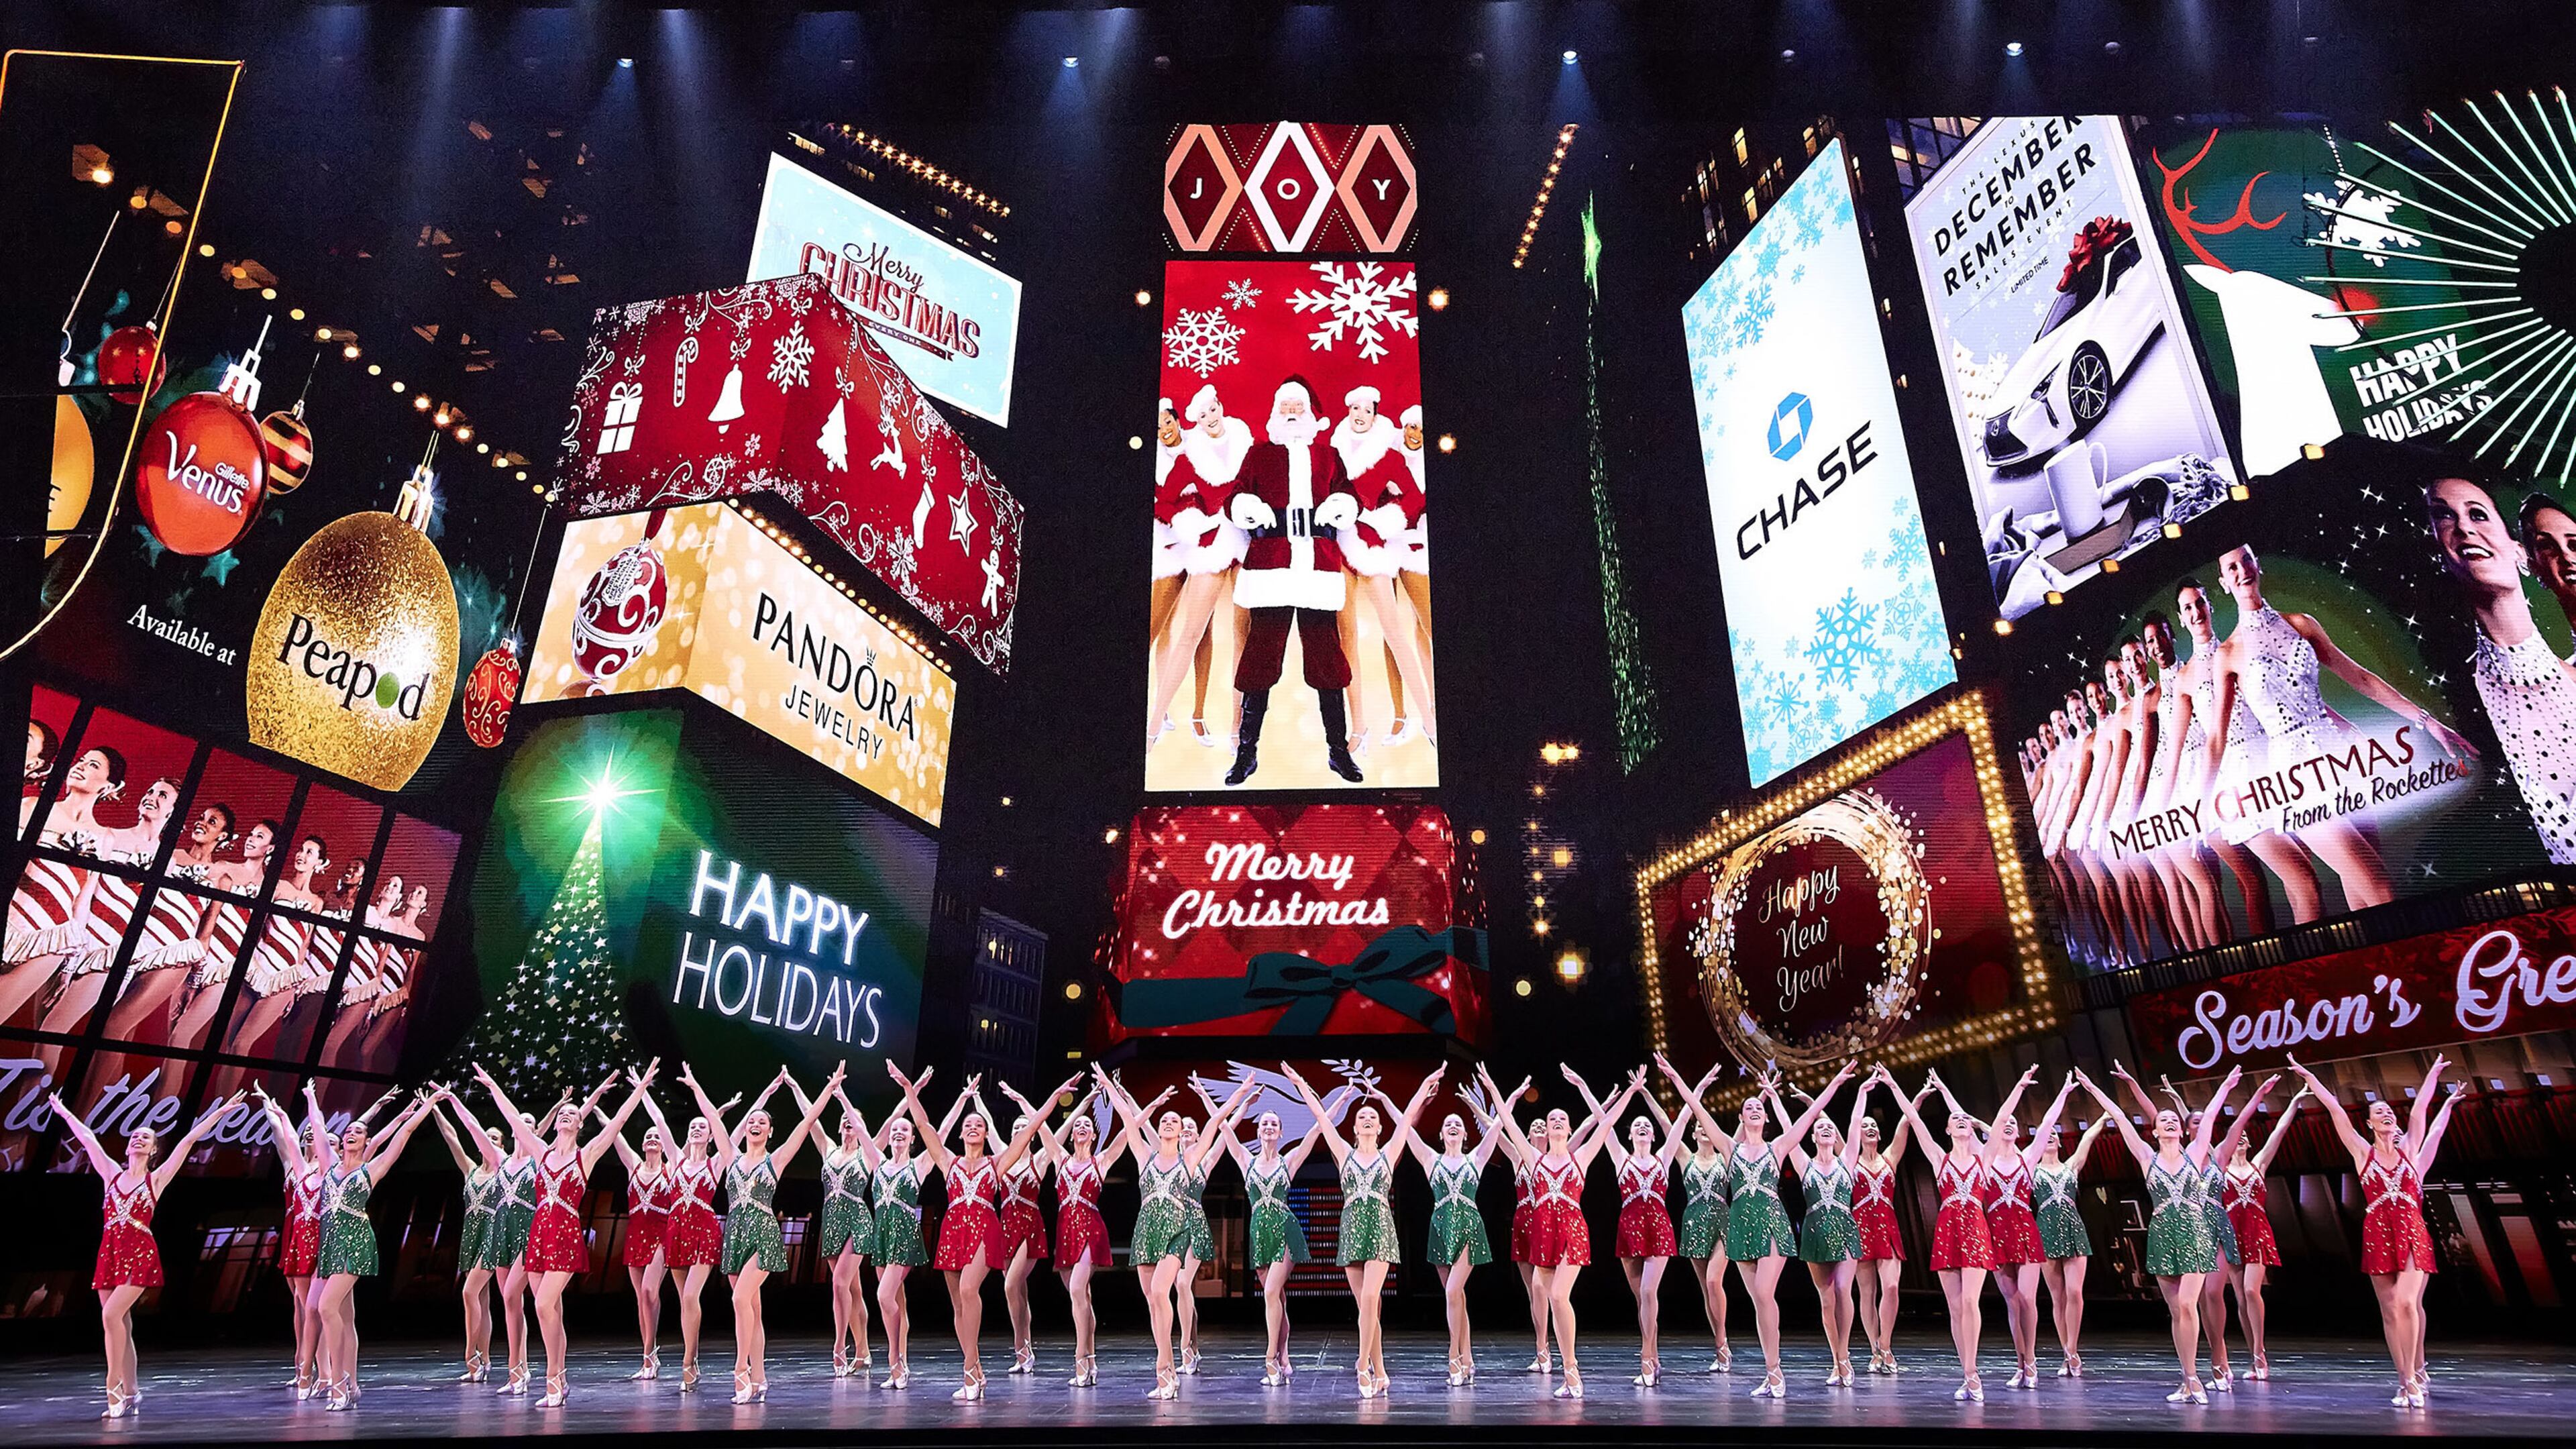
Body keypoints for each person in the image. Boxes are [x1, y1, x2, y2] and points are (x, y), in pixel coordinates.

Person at [2204, 544, 2476, 910]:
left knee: (2366, 892)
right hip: (2293, 777)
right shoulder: (2227, 655)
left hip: (2339, 760)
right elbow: (2219, 737)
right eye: (2232, 568)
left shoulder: (2301, 624)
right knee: (2380, 888)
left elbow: (2362, 679)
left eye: (2247, 560)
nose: (2242, 571)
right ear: (2224, 583)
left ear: (2258, 565)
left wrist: (2428, 722)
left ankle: (2382, 966)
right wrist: (2198, 802)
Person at [2076, 1064, 2263, 1405]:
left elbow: (2209, 1120)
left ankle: (2196, 1379)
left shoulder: (2195, 1153)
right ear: (2155, 1131)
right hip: (2163, 1236)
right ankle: (2188, 1378)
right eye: (2164, 1121)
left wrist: (2227, 1084)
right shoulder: (2147, 1157)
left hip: (2194, 1234)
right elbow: (2118, 1115)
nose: (2172, 1122)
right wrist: (2092, 1088)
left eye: (2174, 1119)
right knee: (2177, 1312)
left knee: (2190, 1304)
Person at [473, 1061, 655, 1407]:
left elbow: (616, 1125)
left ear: (581, 1123)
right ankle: (559, 1379)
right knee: (550, 1310)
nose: (566, 1116)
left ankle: (553, 1379)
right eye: (563, 1113)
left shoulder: (586, 1156)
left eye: (573, 1114)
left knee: (543, 1304)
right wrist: (493, 1086)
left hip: (566, 1235)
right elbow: (513, 1119)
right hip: (539, 1235)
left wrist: (641, 1088)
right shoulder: (541, 1154)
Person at [2284, 1051, 2461, 1407]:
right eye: (2379, 1111)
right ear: (2368, 1123)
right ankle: (2405, 1377)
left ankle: (2414, 1375)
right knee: (2390, 1309)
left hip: (2412, 1232)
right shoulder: (2362, 1152)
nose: (2387, 1114)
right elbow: (2335, 1109)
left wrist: (2433, 1074)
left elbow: (2421, 1114)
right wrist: (2309, 1077)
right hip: (2378, 1233)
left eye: (2389, 1111)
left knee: (2407, 1302)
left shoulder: (2413, 1151)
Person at [52, 1085, 241, 1417]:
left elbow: (187, 1142)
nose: (139, 1139)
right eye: (135, 1136)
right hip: (109, 1253)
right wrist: (64, 1111)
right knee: (120, 1323)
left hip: (140, 1253)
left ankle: (113, 1391)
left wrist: (220, 1113)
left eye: (147, 1138)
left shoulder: (156, 1180)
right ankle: (133, 1391)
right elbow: (88, 1140)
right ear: (128, 1146)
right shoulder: (111, 1174)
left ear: (154, 1150)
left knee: (110, 1316)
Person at [1218, 376, 1366, 786]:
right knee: (1261, 657)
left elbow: (1350, 494)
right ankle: (1246, 754)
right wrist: (1245, 506)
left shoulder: (1329, 455)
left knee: (1326, 660)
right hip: (1271, 568)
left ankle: (1338, 752)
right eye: (1285, 406)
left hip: (1317, 568)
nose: (1292, 411)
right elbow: (1233, 498)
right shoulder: (1258, 454)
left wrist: (1342, 503)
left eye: (1298, 406)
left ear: (1309, 412)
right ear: (1275, 411)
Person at [2430, 475, 2576, 861]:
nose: (2464, 528)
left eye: (2477, 515)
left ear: (2517, 553)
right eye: (2444, 518)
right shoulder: (2462, 704)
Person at [1284, 1064, 1441, 1399]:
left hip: (1381, 1229)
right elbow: (1322, 1118)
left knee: (1371, 1298)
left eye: (1373, 1117)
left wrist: (1425, 1081)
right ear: (1354, 1128)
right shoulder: (1344, 1153)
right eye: (1362, 1117)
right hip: (1352, 1229)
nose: (1368, 1119)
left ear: (1381, 1127)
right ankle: (1381, 1372)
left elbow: (1408, 1117)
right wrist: (1301, 1083)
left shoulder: (1389, 1153)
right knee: (1366, 1309)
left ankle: (1361, 1365)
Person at [1883, 1064, 2035, 1403]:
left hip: (1978, 1231)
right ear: (1949, 1128)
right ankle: (1968, 1373)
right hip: (1949, 1230)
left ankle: (1973, 1375)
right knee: (1954, 1307)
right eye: (1957, 1119)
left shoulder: (1984, 1157)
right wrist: (1895, 1086)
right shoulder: (1939, 1158)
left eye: (1967, 1119)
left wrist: (2020, 1086)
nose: (1963, 1121)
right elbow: (1916, 1122)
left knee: (1970, 1301)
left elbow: (2000, 1120)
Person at [690, 1062, 836, 1403]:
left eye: (762, 1123)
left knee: (740, 1299)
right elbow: (713, 1118)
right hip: (736, 1236)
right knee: (751, 1310)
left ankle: (740, 1369)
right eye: (752, 1121)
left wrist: (829, 1091)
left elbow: (806, 1124)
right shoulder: (730, 1156)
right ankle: (760, 1376)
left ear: (770, 1132)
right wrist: (696, 1086)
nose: (755, 1125)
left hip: (764, 1235)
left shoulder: (777, 1159)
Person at [1101, 1065, 1248, 1399]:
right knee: (1153, 1301)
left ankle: (1165, 1367)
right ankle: (1168, 1368)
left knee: (1162, 1288)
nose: (1169, 1124)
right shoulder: (1145, 1157)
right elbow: (1128, 1121)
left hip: (1178, 1231)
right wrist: (1112, 1087)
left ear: (1182, 1132)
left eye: (1175, 1121)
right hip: (1146, 1231)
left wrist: (1238, 1095)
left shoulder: (1192, 1158)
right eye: (1165, 1121)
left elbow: (1215, 1125)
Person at [299, 1081, 439, 1410]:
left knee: (326, 1308)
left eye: (359, 1132)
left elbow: (402, 1135)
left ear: (366, 1142)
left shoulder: (371, 1169)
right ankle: (353, 1383)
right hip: (330, 1245)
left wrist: (428, 1106)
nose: (351, 1134)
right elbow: (318, 1128)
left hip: (355, 1242)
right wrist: (310, 1096)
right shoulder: (328, 1165)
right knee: (343, 1317)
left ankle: (337, 1386)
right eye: (349, 1130)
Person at [1722, 1061, 1856, 1399]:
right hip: (1742, 1224)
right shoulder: (1732, 1148)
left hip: (1773, 1222)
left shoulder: (1778, 1147)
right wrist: (1679, 1081)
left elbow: (1807, 1119)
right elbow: (1696, 1110)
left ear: (1765, 1117)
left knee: (1767, 1294)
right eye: (1747, 1107)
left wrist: (1836, 1083)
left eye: (1758, 1106)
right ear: (1741, 1119)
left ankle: (1838, 1358)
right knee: (1760, 1302)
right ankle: (1773, 1370)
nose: (1753, 1109)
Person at [1205, 1079, 1347, 1387]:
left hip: (1285, 1230)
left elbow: (1318, 1129)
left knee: (1270, 1293)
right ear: (1258, 1131)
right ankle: (1283, 1354)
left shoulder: (1290, 1160)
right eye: (1265, 1123)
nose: (1269, 1127)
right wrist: (1241, 1104)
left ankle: (1270, 1359)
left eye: (1274, 1124)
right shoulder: (1246, 1161)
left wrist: (1340, 1099)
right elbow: (1223, 1127)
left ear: (1281, 1132)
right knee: (1277, 1298)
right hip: (1260, 1234)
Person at [1485, 1072, 1617, 1399]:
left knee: (1558, 1296)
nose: (1556, 1122)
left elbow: (1602, 1126)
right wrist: (1494, 1090)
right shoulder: (1532, 1159)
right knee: (1548, 1297)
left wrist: (1598, 1090)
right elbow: (1509, 1127)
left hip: (1572, 1230)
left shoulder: (1579, 1156)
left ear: (1568, 1129)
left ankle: (1572, 1368)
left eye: (1562, 1119)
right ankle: (1565, 1369)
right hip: (1542, 1234)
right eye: (1550, 1118)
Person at [1938, 1067, 2067, 1391]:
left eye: (2013, 1123)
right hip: (1993, 1233)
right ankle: (2020, 1362)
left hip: (2025, 1232)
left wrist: (2061, 1092)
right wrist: (1943, 1090)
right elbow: (1961, 1119)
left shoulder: (2030, 1156)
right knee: (2012, 1301)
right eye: (2003, 1123)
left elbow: (2048, 1123)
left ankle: (2032, 1360)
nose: (2008, 1124)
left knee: (2026, 1298)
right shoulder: (1985, 1157)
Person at [1330, 385, 1438, 752]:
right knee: (1347, 642)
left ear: (1377, 416)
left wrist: (1386, 520)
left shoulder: (1389, 457)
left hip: (1372, 547)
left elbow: (1415, 499)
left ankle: (1430, 718)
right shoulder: (1332, 454)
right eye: (1355, 407)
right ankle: (1358, 727)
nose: (1360, 414)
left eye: (1368, 410)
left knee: (1395, 632)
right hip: (1337, 550)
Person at [1148, 384, 1252, 750]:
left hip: (1247, 545)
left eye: (1214, 409)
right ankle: (1153, 723)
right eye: (1203, 414)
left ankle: (1239, 730)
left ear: (1221, 406)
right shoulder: (1190, 453)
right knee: (1191, 633)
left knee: (1243, 639)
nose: (1211, 418)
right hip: (1212, 545)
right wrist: (1192, 525)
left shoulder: (1244, 439)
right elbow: (1162, 502)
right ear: (1195, 419)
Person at [1020, 1083, 1128, 1387]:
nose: (1081, 1128)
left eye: (1087, 1126)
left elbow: (1129, 1130)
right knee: (1080, 1299)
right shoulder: (1060, 1159)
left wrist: (1119, 1097)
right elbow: (1039, 1127)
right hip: (1065, 1232)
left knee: (1079, 1290)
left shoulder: (1102, 1161)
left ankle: (1081, 1359)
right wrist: (1023, 1100)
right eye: (1077, 1125)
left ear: (1093, 1135)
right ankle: (1091, 1360)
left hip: (1092, 1230)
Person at [634, 1079, 737, 1393]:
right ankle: (690, 1358)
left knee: (692, 1296)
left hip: (704, 1232)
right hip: (675, 1232)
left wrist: (699, 1092)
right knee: (683, 1301)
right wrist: (642, 1090)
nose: (696, 1129)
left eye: (702, 1127)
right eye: (693, 1125)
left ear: (709, 1134)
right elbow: (660, 1121)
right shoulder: (676, 1159)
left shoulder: (716, 1162)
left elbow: (732, 1131)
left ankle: (688, 1360)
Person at [1773, 1070, 1874, 1388]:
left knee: (1844, 1290)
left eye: (1830, 1127)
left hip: (1844, 1228)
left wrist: (1862, 1092)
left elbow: (1856, 1123)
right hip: (1816, 1233)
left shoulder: (1848, 1160)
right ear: (1814, 1137)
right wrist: (1775, 1099)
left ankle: (1844, 1357)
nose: (1827, 1130)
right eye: (1821, 1128)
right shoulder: (1803, 1163)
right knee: (1827, 1300)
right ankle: (1836, 1359)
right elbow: (1790, 1131)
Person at [1415, 1069, 1512, 1386]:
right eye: (1448, 1125)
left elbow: (1500, 1122)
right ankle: (1469, 1358)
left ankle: (1454, 1356)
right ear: (1441, 1135)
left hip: (1470, 1228)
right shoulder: (1431, 1160)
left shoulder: (1477, 1159)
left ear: (1467, 1134)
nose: (1453, 1126)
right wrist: (1423, 1103)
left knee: (1454, 1291)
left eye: (1458, 1124)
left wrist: (1488, 1092)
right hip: (1441, 1228)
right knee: (1455, 1297)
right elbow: (1405, 1131)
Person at [866, 1078, 962, 1391]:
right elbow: (862, 1129)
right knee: (897, 1304)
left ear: (911, 1140)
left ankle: (895, 1362)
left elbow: (941, 1131)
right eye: (896, 1129)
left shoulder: (919, 1165)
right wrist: (838, 1093)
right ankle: (901, 1363)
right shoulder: (877, 1163)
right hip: (881, 1236)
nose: (898, 1132)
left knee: (883, 1297)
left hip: (905, 1236)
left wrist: (961, 1098)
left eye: (904, 1130)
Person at [445, 1087, 542, 1396]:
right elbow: (472, 1129)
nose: (524, 1126)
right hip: (502, 1235)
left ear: (536, 1131)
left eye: (530, 1123)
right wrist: (452, 1100)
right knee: (511, 1304)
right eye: (520, 1121)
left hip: (529, 1234)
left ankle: (542, 1371)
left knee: (534, 1302)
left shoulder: (539, 1159)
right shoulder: (500, 1160)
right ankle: (518, 1372)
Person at [1590, 1067, 1683, 1387]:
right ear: (1631, 1135)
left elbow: (1683, 1120)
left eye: (1647, 1126)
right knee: (1642, 1301)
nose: (1643, 1128)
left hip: (1659, 1229)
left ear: (1654, 1134)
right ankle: (1654, 1358)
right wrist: (1583, 1088)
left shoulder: (1663, 1159)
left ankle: (1646, 1358)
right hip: (1629, 1231)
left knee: (1648, 1291)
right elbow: (1603, 1123)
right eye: (1637, 1126)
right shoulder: (1620, 1159)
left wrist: (1690, 1088)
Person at [2215, 1081, 2306, 1381]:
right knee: (2240, 1298)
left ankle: (2260, 1353)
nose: (2240, 1139)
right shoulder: (2219, 1168)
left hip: (2256, 1231)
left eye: (2244, 1137)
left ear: (2250, 1143)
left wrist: (2293, 1103)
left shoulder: (2259, 1165)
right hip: (2230, 1232)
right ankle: (2254, 1356)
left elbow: (2279, 1132)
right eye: (2235, 1137)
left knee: (2252, 1290)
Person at [1650, 1056, 1735, 1374]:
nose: (1702, 1129)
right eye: (1698, 1127)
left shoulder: (1726, 1154)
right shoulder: (1685, 1156)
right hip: (1695, 1222)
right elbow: (1666, 1125)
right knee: (1706, 1288)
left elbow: (1742, 1130)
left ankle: (1723, 1341)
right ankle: (1719, 1347)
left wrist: (1765, 1095)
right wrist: (1646, 1093)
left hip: (1723, 1221)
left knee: (1715, 1281)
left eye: (1706, 1126)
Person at [2031, 1078, 2112, 1378]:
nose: (2050, 1136)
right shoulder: (2031, 1168)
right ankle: (2066, 1350)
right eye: (2045, 1134)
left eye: (2054, 1133)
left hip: (2073, 1228)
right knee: (2058, 1297)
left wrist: (2105, 1115)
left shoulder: (2072, 1165)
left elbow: (2089, 1137)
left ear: (2060, 1141)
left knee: (2075, 1293)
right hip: (2046, 1231)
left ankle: (2073, 1350)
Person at [597, 1110, 676, 1381]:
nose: (653, 1139)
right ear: (642, 1145)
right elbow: (615, 1136)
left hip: (662, 1235)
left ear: (664, 1144)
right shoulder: (633, 1166)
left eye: (657, 1136)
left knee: (649, 1290)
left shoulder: (672, 1168)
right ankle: (648, 1357)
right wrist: (598, 1111)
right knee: (642, 1299)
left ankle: (650, 1354)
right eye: (648, 1137)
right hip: (635, 1235)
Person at [814, 1085, 881, 1380]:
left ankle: (840, 1346)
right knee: (853, 1291)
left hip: (858, 1221)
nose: (847, 1121)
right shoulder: (829, 1149)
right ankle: (863, 1352)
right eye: (843, 1118)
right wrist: (794, 1087)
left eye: (852, 1119)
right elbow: (810, 1119)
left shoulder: (867, 1152)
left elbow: (893, 1118)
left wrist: (909, 1093)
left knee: (840, 1285)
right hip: (831, 1222)